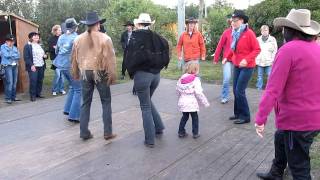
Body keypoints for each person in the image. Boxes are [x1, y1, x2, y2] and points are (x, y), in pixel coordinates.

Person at [255, 9, 320, 180]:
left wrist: (261, 118)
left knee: (299, 168)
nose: (283, 30)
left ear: (289, 30)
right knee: (280, 137)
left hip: (297, 122)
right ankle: (276, 173)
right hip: (313, 117)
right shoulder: (316, 48)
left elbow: (272, 89)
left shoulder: (288, 50)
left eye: (284, 27)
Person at [125, 13, 170, 148]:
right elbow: (165, 56)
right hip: (156, 76)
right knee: (148, 102)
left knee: (145, 106)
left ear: (138, 24)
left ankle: (150, 140)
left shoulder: (134, 37)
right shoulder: (159, 38)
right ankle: (159, 127)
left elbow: (129, 58)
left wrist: (133, 73)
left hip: (142, 76)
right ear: (149, 24)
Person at [72, 12, 117, 140]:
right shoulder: (105, 38)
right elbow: (110, 59)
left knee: (85, 102)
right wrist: (112, 75)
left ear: (87, 24)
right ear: (97, 24)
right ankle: (107, 132)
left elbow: (74, 58)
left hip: (85, 72)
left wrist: (76, 72)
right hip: (100, 72)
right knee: (106, 102)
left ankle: (84, 132)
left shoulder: (78, 39)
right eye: (99, 24)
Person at [227, 10, 261, 124]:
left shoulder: (249, 33)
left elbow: (257, 49)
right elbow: (233, 49)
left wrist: (246, 59)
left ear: (242, 21)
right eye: (232, 21)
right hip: (237, 65)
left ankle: (245, 116)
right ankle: (237, 113)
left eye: (235, 21)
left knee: (239, 91)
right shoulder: (234, 33)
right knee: (235, 90)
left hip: (248, 66)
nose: (233, 23)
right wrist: (227, 57)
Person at [53, 18, 80, 122]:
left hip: (61, 65)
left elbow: (56, 51)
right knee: (79, 89)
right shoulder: (76, 38)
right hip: (71, 66)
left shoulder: (61, 37)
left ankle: (68, 110)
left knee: (73, 87)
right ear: (75, 27)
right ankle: (74, 115)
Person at [176, 63, 210, 139]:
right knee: (194, 117)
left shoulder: (181, 78)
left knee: (185, 117)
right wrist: (205, 102)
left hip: (183, 101)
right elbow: (198, 92)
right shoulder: (195, 80)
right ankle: (195, 133)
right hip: (192, 102)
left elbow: (177, 90)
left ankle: (181, 132)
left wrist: (179, 99)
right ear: (195, 70)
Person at [213, 15, 233, 104]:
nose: (234, 23)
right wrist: (216, 58)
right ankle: (224, 96)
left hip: (238, 60)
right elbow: (220, 45)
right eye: (232, 21)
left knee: (237, 82)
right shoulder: (226, 33)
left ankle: (239, 97)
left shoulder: (242, 33)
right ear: (230, 23)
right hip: (227, 60)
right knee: (227, 79)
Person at [23, 32, 47, 102]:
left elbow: (44, 55)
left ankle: (38, 93)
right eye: (35, 36)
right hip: (33, 66)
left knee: (40, 80)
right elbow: (26, 57)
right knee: (33, 81)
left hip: (41, 65)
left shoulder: (40, 45)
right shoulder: (28, 46)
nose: (37, 37)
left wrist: (45, 56)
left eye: (38, 36)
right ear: (31, 37)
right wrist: (31, 65)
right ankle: (32, 96)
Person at [255, 25, 278, 90]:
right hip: (260, 61)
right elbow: (255, 50)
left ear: (268, 31)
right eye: (263, 30)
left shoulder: (273, 39)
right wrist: (256, 58)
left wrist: (273, 59)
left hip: (269, 61)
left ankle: (269, 89)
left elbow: (275, 50)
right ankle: (258, 89)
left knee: (270, 76)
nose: (264, 32)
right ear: (261, 31)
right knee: (259, 76)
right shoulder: (257, 39)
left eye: (266, 30)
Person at [0, 34, 20, 104]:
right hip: (7, 66)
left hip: (15, 66)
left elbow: (18, 56)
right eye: (10, 41)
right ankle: (8, 98)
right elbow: (6, 55)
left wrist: (11, 55)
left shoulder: (15, 47)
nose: (11, 42)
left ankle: (13, 97)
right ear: (6, 41)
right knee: (9, 82)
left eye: (13, 41)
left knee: (14, 82)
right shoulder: (2, 47)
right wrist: (13, 55)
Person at [48, 24, 65, 96]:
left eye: (61, 30)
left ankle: (61, 89)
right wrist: (57, 48)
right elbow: (51, 49)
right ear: (55, 31)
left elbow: (64, 48)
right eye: (59, 30)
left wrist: (57, 48)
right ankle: (54, 90)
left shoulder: (63, 38)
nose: (60, 31)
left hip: (63, 59)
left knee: (62, 75)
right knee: (57, 75)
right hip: (54, 60)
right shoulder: (51, 39)